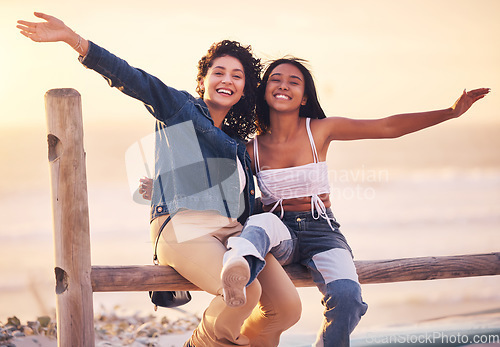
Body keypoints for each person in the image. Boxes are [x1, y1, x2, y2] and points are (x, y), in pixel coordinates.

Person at [17, 13, 302, 346]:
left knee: (287, 307)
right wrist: (74, 41)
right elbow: (133, 78)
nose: (227, 80)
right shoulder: (180, 107)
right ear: (203, 81)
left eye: (237, 76)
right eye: (218, 72)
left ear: (244, 89)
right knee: (245, 289)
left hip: (235, 233)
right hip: (182, 228)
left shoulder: (238, 145)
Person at [219, 57, 490, 346]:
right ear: (263, 90)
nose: (283, 85)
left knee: (348, 298)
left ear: (304, 97)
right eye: (276, 79)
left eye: (293, 82)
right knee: (262, 222)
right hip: (279, 233)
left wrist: (450, 112)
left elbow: (387, 127)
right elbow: (231, 194)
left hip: (322, 231)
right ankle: (237, 271)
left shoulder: (319, 130)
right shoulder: (250, 149)